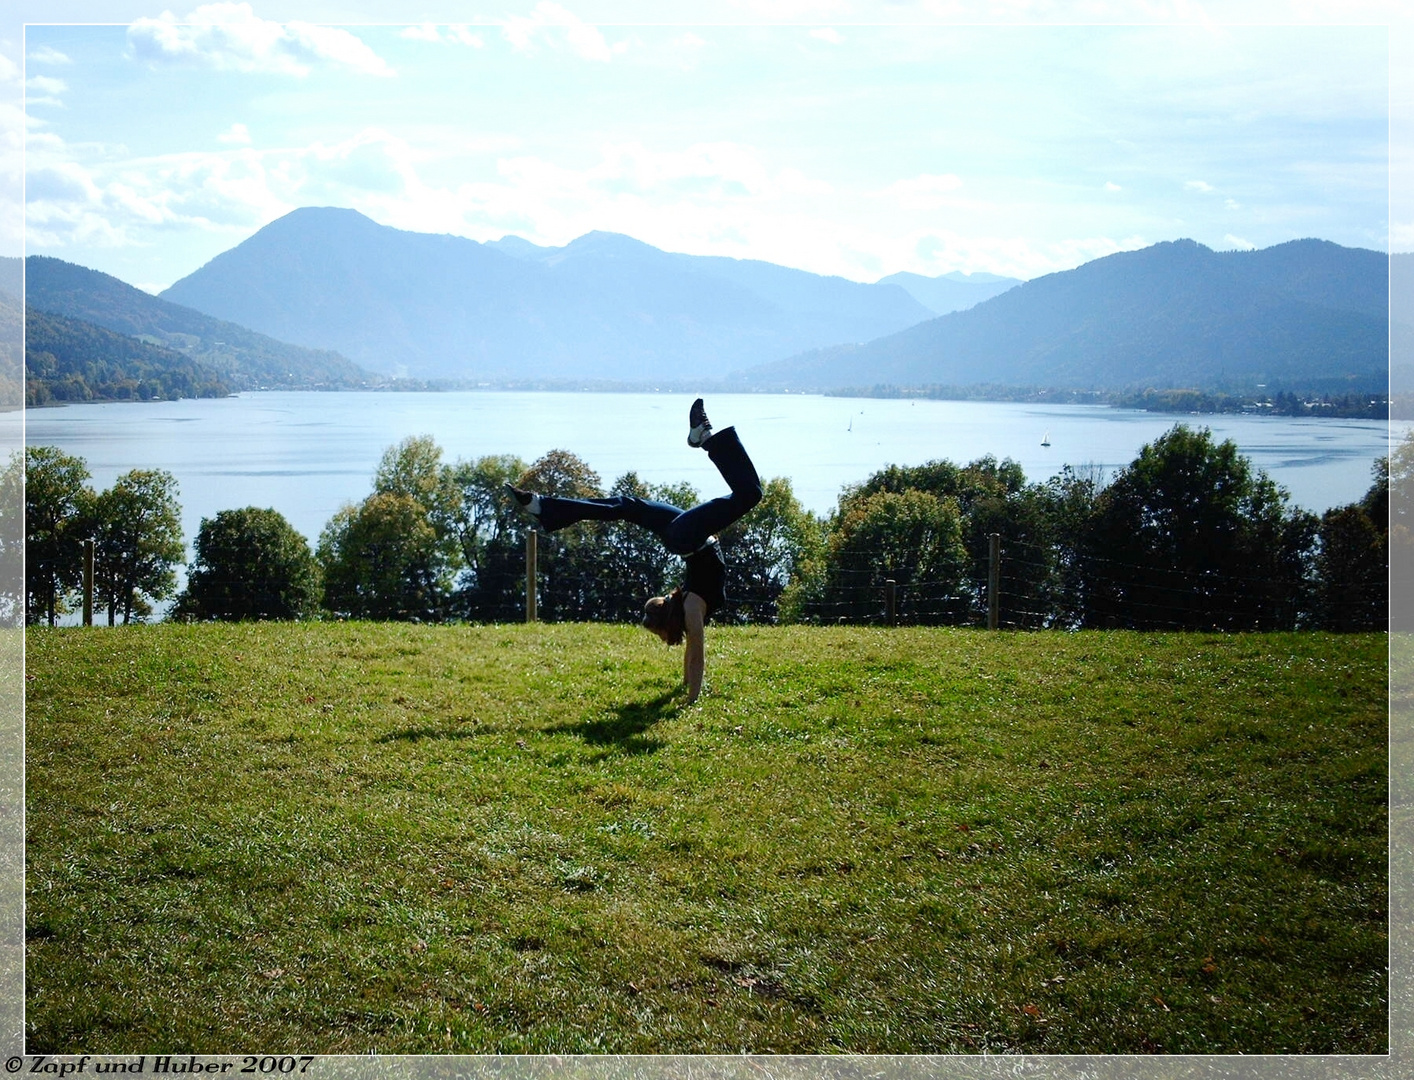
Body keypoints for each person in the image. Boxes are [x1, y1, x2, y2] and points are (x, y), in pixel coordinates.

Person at [507, 398, 761, 704]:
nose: (664, 641)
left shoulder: (689, 606)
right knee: (748, 494)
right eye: (661, 632)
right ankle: (702, 438)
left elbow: (693, 653)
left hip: (686, 537)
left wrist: (688, 693)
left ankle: (542, 506)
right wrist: (690, 696)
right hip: (686, 537)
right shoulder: (692, 611)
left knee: (628, 506)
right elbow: (695, 657)